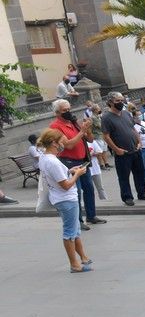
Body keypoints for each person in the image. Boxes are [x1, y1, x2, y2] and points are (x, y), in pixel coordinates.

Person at [37, 129, 94, 273]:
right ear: (54, 143)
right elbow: (66, 185)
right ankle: (74, 264)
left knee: (75, 230)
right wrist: (78, 174)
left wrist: (70, 171)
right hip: (65, 199)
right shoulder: (52, 161)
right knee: (70, 232)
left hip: (62, 198)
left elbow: (57, 177)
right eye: (62, 141)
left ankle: (83, 257)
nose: (64, 144)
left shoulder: (45, 158)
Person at [46, 98, 102, 228]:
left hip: (83, 161)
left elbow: (90, 139)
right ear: (57, 113)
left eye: (69, 109)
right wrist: (82, 131)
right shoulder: (55, 127)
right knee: (75, 192)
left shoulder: (73, 122)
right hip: (69, 162)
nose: (68, 112)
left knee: (89, 188)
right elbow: (68, 145)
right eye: (65, 110)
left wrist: (87, 129)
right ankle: (78, 221)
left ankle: (91, 216)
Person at [100, 92, 145, 205]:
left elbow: (133, 129)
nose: (120, 103)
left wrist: (139, 142)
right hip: (122, 152)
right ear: (110, 102)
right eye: (117, 101)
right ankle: (127, 197)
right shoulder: (106, 117)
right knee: (124, 176)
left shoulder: (126, 113)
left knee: (140, 172)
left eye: (121, 100)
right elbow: (106, 136)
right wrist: (116, 149)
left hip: (135, 149)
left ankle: (142, 193)